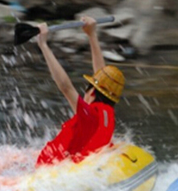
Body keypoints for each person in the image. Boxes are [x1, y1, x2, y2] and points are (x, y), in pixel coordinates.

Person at [35, 16, 125, 167]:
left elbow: (65, 86)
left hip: (52, 172)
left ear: (92, 93)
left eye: (87, 89)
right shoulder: (107, 115)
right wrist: (92, 35)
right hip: (73, 167)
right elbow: (101, 77)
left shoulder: (88, 116)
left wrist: (43, 45)